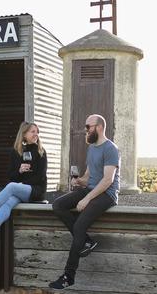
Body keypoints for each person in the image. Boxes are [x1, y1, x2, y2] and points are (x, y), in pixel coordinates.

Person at [48, 114, 120, 289]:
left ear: (99, 127)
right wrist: (79, 181)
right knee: (58, 205)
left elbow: (107, 180)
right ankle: (86, 241)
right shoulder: (92, 148)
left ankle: (68, 276)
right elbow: (89, 177)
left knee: (79, 226)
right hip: (92, 189)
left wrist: (86, 199)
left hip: (106, 194)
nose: (85, 130)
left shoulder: (111, 149)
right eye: (86, 127)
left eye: (88, 127)